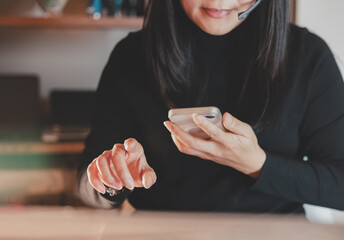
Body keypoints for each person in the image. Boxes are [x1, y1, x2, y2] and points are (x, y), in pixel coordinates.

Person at [76, 0, 344, 213]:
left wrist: (259, 165)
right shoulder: (131, 56)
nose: (219, 0)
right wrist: (112, 179)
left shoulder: (309, 57)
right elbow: (85, 186)